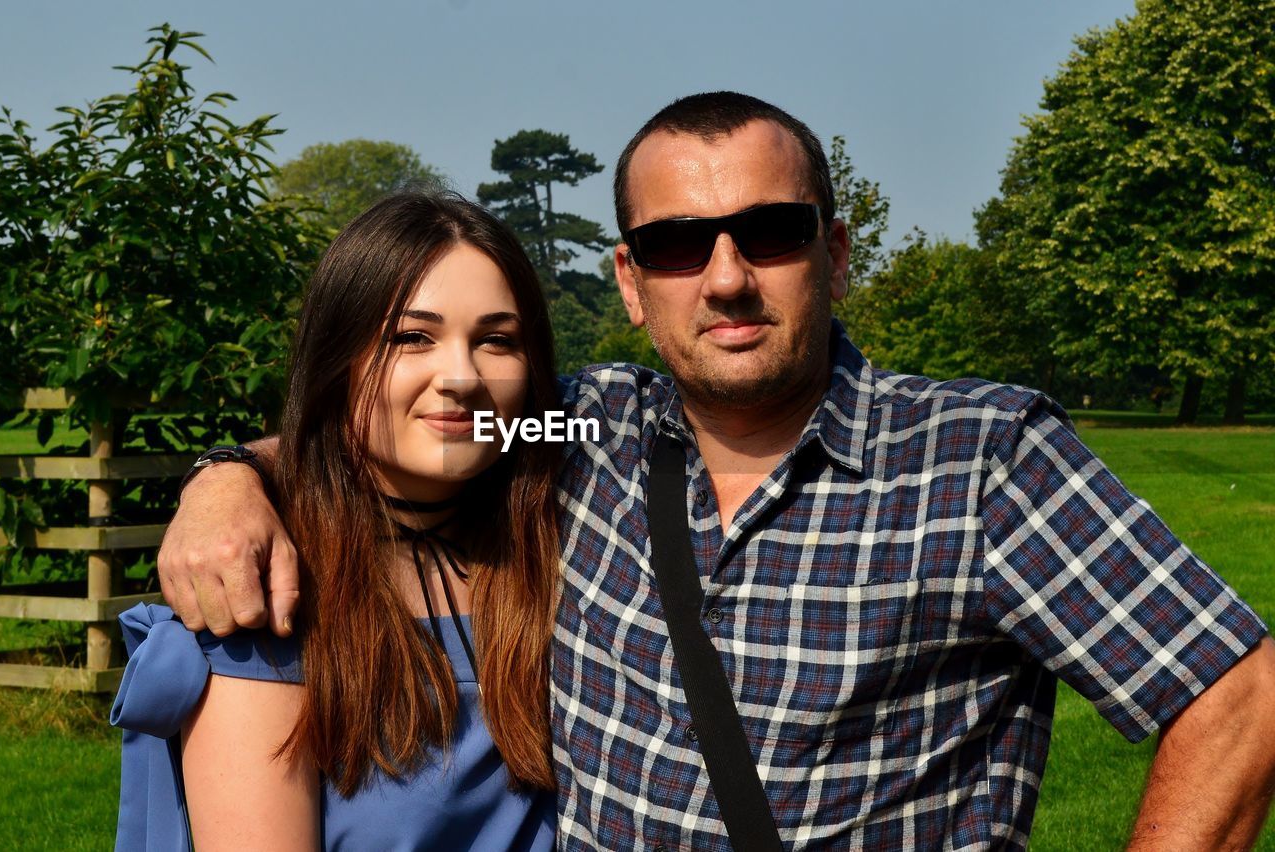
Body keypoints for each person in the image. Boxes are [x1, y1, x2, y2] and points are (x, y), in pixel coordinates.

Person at [156, 93, 1275, 850]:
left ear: (833, 253)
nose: (727, 278)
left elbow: (1239, 691)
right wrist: (227, 479)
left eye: (770, 233)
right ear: (632, 283)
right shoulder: (583, 433)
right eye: (681, 246)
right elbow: (401, 431)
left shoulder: (976, 460)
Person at [111, 189, 561, 850]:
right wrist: (224, 474)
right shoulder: (269, 595)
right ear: (336, 360)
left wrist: (226, 468)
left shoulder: (572, 530)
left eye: (497, 340)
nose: (462, 377)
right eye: (412, 337)